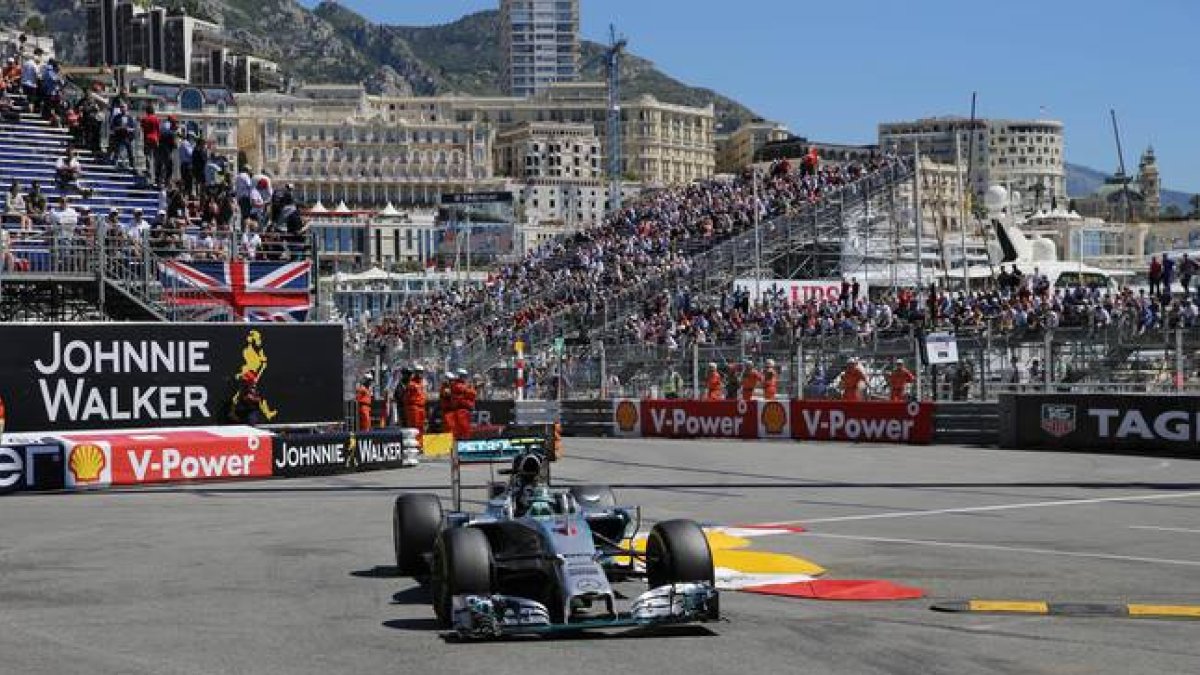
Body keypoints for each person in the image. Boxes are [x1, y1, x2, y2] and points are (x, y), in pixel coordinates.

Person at [403, 366, 427, 437]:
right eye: (418, 372)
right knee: (414, 427)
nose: (420, 373)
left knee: (421, 427)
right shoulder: (411, 384)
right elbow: (406, 398)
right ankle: (414, 444)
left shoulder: (422, 383)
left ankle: (420, 444)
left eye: (421, 372)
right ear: (415, 373)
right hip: (414, 408)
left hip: (422, 407)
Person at [139, 104, 160, 183]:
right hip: (155, 139)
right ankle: (155, 173)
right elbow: (158, 130)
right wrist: (158, 140)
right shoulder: (156, 119)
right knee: (155, 158)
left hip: (147, 139)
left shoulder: (145, 119)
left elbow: (142, 127)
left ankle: (149, 171)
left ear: (147, 111)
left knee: (147, 156)